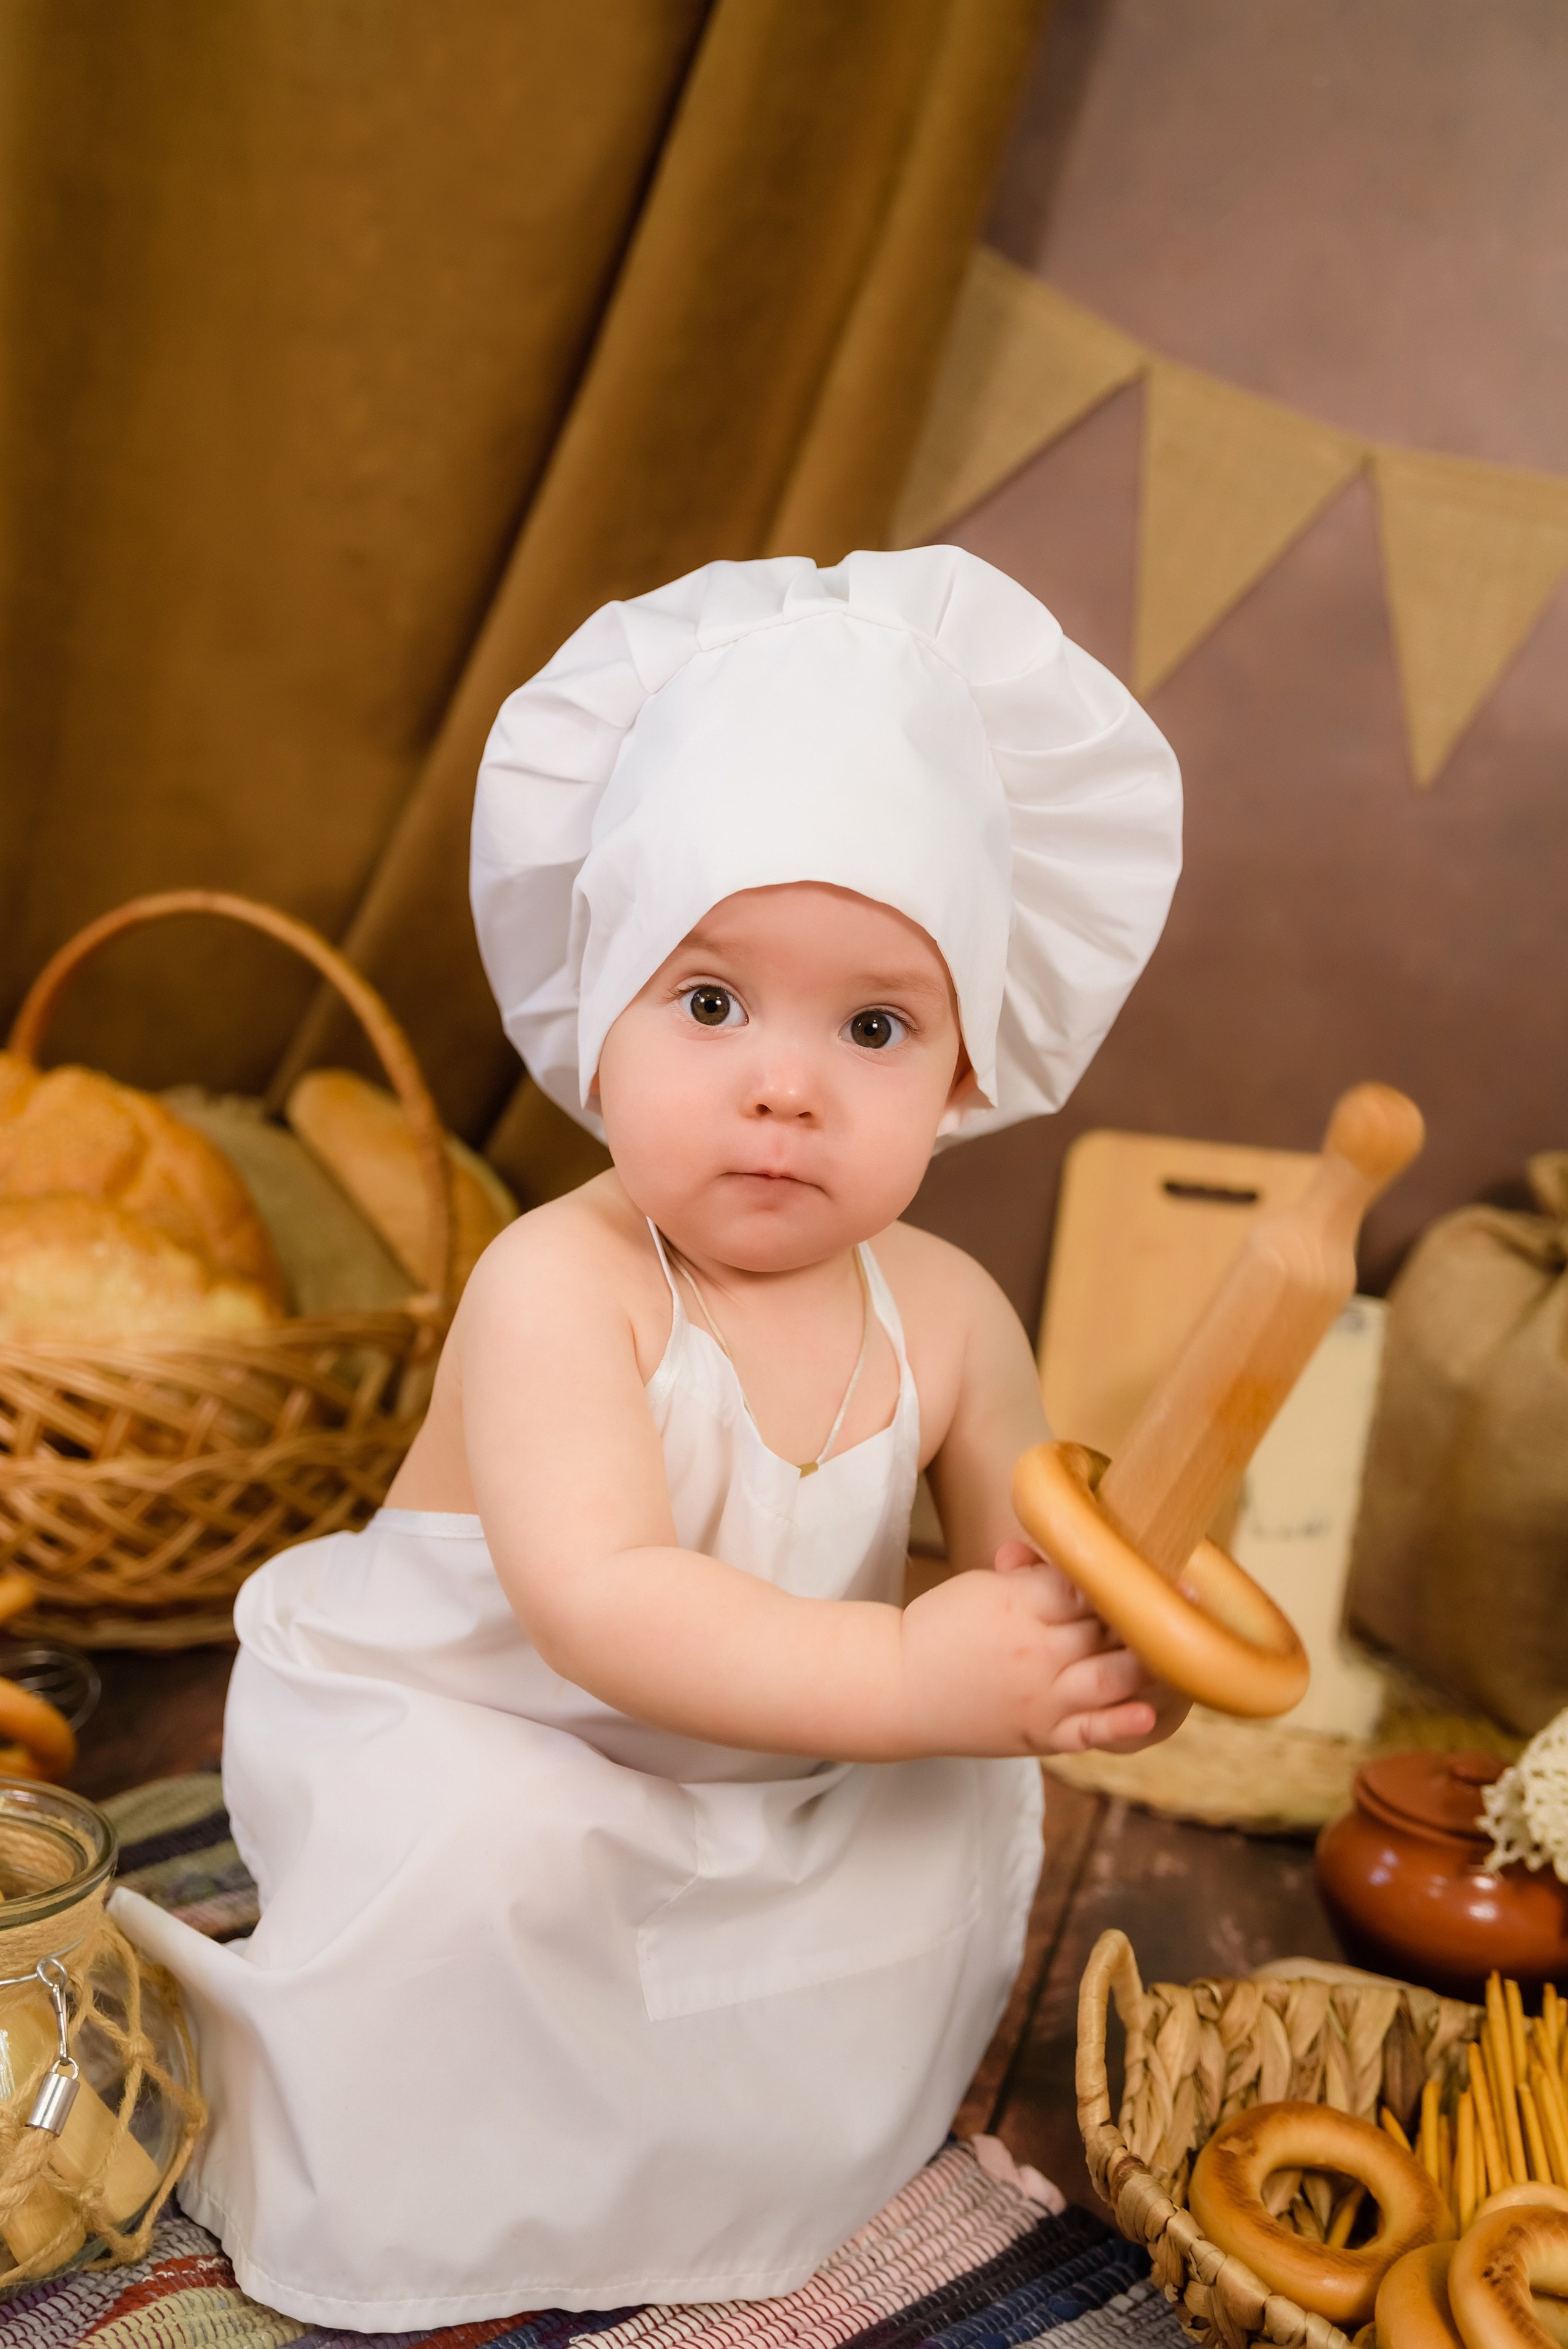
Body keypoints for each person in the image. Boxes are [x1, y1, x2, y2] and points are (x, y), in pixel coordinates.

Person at [117, 546, 1185, 2329]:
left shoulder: (952, 1310)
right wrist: (921, 1665)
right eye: (709, 1002)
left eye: (873, 1022)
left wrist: (1092, 1648)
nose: (786, 1081)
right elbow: (603, 1605)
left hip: (769, 1765)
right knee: (486, 1844)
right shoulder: (566, 1281)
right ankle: (449, 2187)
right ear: (596, 1019)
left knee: (960, 1789)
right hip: (503, 1729)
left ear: (969, 1071)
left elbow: (1038, 1561)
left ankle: (739, 2149)